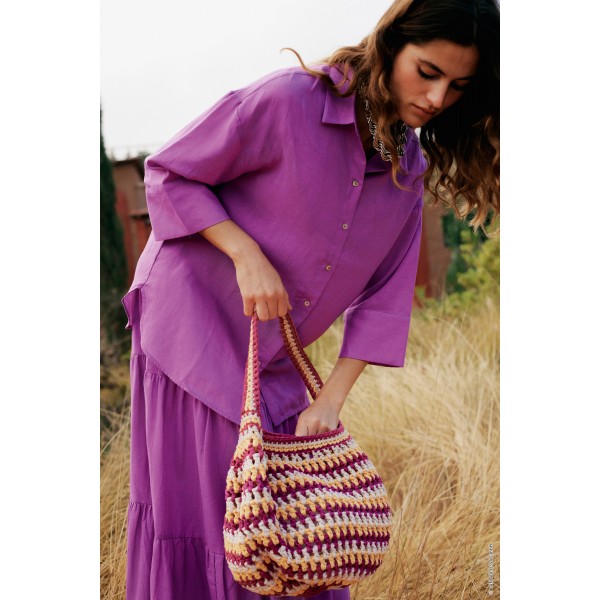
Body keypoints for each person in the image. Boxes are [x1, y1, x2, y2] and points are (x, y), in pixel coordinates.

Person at [120, 0, 500, 598]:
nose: (435, 98)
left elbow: (384, 302)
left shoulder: (407, 173)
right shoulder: (289, 99)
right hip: (188, 330)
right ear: (390, 45)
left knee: (299, 534)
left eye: (457, 87)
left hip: (274, 360)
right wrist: (246, 254)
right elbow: (169, 173)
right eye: (427, 72)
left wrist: (329, 401)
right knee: (223, 522)